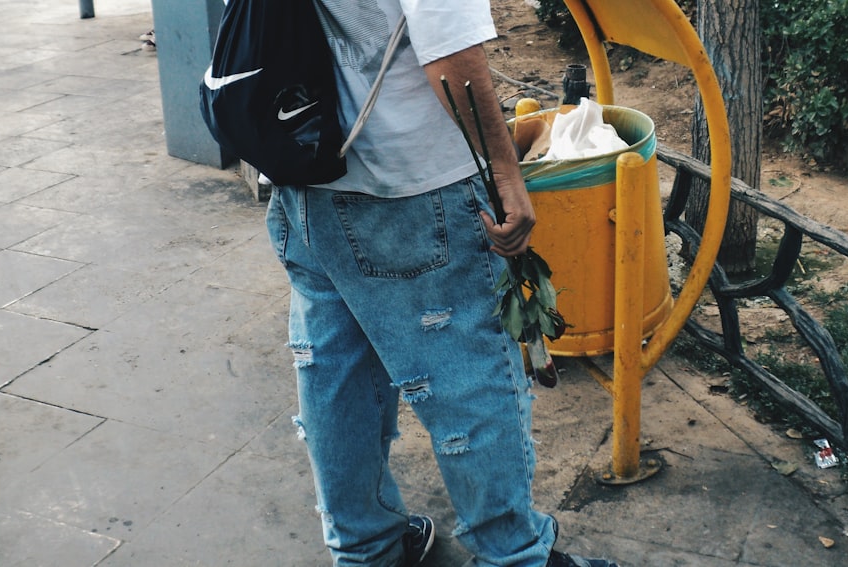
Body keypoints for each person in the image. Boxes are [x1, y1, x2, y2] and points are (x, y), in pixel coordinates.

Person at [264, 1, 622, 565]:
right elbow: (450, 54)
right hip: (410, 185)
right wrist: (506, 174)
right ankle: (513, 555)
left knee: (336, 371)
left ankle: (365, 546)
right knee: (471, 377)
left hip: (301, 166)